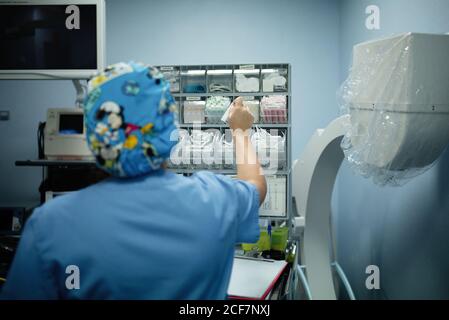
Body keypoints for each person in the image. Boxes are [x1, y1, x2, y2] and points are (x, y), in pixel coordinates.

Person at [0, 62, 267, 299]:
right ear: (169, 128)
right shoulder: (215, 200)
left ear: (95, 135)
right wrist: (240, 130)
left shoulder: (50, 224)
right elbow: (256, 187)